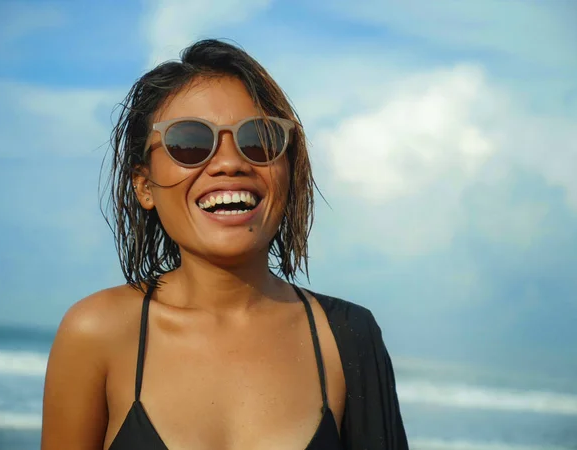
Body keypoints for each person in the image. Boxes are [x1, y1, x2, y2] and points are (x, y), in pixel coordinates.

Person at [41, 39, 408, 450]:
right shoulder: (97, 333)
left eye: (260, 139)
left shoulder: (346, 337)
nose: (231, 162)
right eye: (189, 143)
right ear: (144, 185)